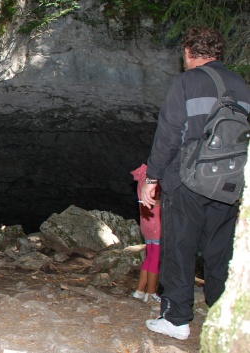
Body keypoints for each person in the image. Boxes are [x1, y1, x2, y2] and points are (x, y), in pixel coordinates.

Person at [140, 27, 250, 340]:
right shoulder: (242, 86)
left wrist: (154, 176)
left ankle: (176, 319)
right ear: (219, 53)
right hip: (229, 184)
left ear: (188, 53)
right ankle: (222, 317)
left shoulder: (186, 82)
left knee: (180, 248)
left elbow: (170, 134)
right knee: (220, 253)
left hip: (186, 181)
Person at [131, 164, 161, 303]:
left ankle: (139, 291)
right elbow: (154, 200)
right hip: (156, 222)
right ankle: (151, 293)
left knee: (150, 256)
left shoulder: (143, 175)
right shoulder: (152, 176)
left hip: (146, 221)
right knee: (155, 258)